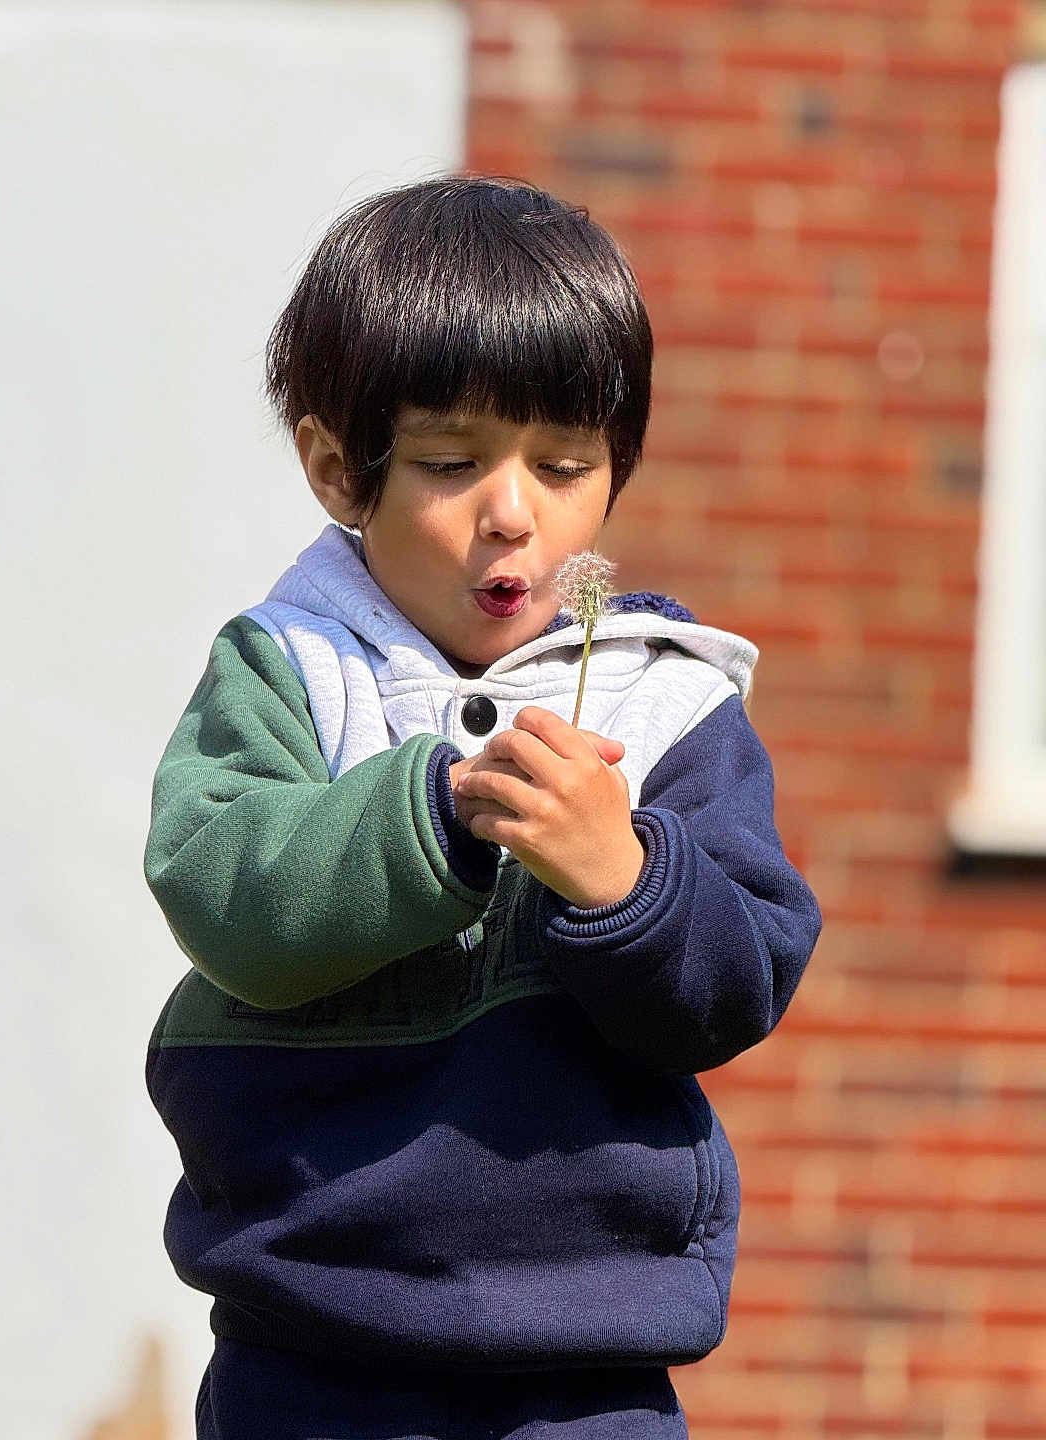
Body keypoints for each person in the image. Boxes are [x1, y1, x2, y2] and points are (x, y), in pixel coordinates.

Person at [143, 175, 822, 1439]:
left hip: (586, 1358)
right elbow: (223, 888)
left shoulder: (661, 703)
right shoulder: (292, 668)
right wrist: (433, 818)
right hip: (309, 1340)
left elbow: (736, 984)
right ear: (340, 469)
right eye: (453, 463)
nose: (515, 511)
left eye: (566, 465)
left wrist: (626, 880)